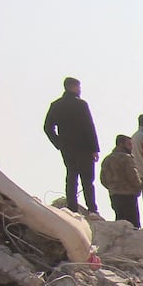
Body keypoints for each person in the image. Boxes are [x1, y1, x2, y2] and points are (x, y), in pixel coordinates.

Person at [42, 77, 100, 214]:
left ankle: (72, 207)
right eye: (78, 87)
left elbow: (47, 127)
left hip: (67, 147)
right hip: (84, 147)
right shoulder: (81, 104)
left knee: (72, 176)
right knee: (87, 180)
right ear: (72, 87)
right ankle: (92, 209)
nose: (79, 90)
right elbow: (89, 127)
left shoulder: (56, 105)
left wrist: (59, 143)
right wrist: (94, 149)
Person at [99, 135, 143, 227]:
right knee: (133, 225)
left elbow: (103, 179)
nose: (131, 147)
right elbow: (133, 176)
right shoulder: (127, 158)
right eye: (128, 144)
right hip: (128, 195)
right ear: (120, 144)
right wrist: (139, 187)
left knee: (120, 223)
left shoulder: (107, 159)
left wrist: (112, 187)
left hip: (114, 195)